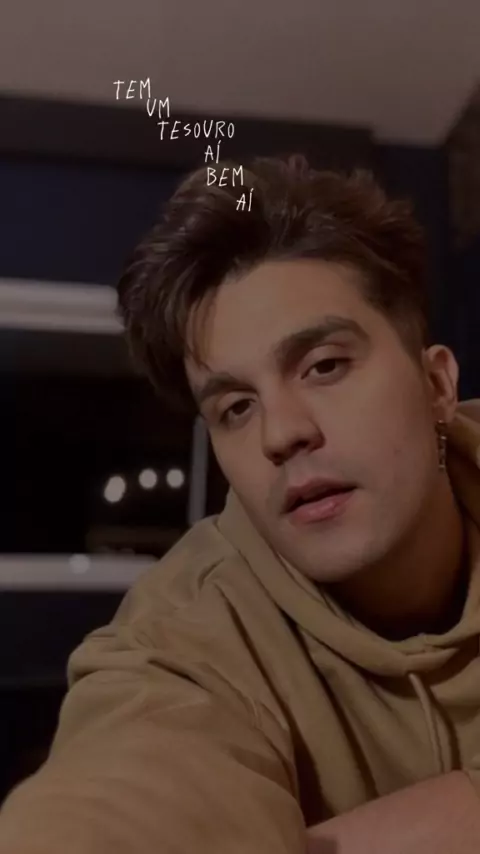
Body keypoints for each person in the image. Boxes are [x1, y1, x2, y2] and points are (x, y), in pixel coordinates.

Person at [1, 155, 480, 854]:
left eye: (324, 366)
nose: (279, 434)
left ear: (436, 384)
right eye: (235, 407)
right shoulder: (186, 635)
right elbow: (127, 789)